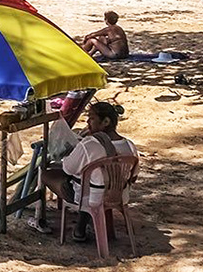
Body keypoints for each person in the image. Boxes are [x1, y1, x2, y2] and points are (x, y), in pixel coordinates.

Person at [42, 100, 139, 240]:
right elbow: (133, 177)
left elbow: (68, 169)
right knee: (93, 182)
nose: (88, 122)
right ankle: (83, 225)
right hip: (119, 196)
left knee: (46, 174)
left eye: (92, 118)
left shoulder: (90, 144)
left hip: (90, 198)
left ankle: (48, 220)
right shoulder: (130, 146)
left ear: (106, 122)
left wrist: (75, 151)